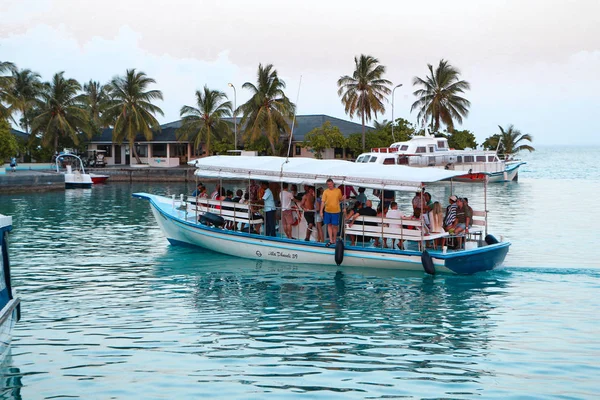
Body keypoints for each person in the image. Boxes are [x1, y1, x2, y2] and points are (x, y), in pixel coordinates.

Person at [320, 178, 345, 246]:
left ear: (333, 183)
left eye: (330, 184)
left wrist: (343, 198)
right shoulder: (325, 191)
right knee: (329, 225)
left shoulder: (338, 191)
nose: (329, 185)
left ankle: (334, 239)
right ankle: (331, 240)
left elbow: (340, 199)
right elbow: (323, 202)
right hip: (327, 211)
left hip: (336, 211)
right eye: (328, 184)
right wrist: (321, 211)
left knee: (335, 225)